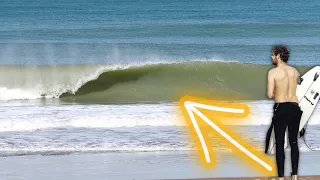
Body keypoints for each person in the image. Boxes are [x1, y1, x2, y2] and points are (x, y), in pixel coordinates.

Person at [267, 45, 303, 180]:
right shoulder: (295, 71)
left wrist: (278, 91)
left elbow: (270, 94)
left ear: (278, 56)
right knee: (293, 142)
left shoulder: (273, 72)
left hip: (281, 108)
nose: (271, 57)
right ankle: (294, 175)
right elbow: (300, 84)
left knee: (280, 143)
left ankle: (281, 177)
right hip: (295, 108)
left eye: (272, 54)